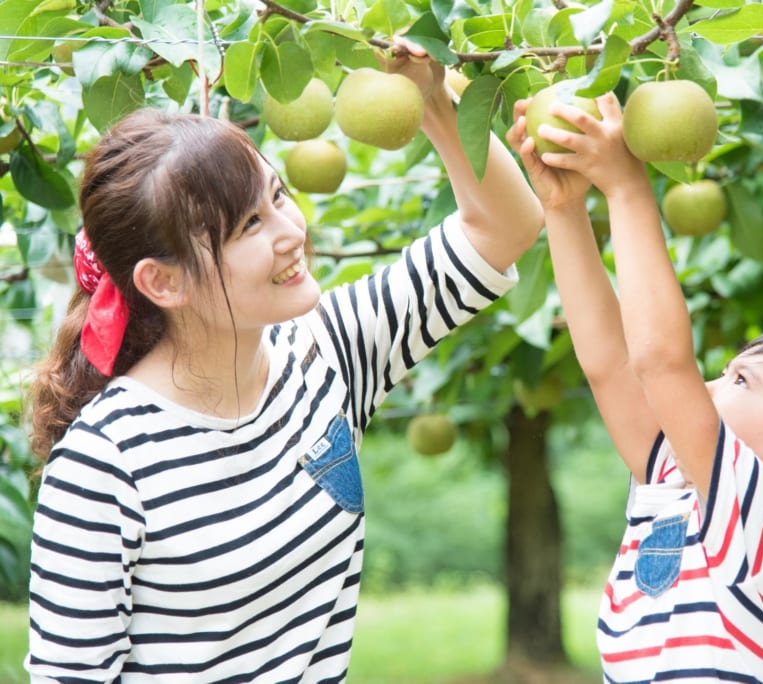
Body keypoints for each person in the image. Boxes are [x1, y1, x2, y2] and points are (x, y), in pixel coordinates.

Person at [25, 46, 543, 682]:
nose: (291, 230)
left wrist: (434, 100)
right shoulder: (106, 465)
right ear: (163, 282)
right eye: (248, 224)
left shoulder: (328, 350)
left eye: (278, 195)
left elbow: (505, 230)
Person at [506, 90, 763, 682]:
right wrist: (565, 210)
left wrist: (628, 190)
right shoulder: (671, 486)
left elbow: (659, 362)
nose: (705, 383)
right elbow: (610, 363)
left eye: (738, 379)